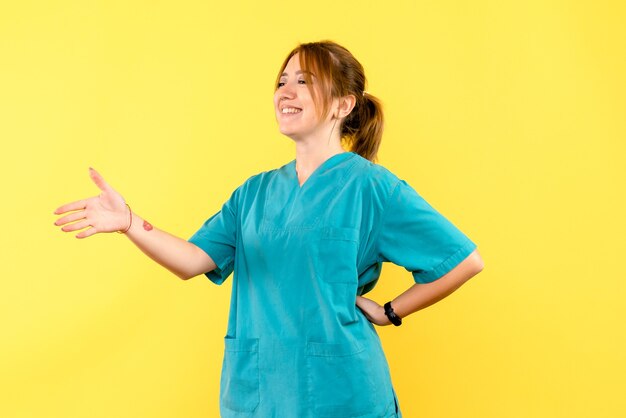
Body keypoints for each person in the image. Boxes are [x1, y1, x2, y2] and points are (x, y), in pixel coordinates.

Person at [54, 40, 484, 418]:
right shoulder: (253, 193)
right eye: (282, 82)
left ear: (343, 104)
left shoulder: (371, 187)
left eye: (304, 80)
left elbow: (463, 260)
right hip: (259, 393)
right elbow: (191, 261)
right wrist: (130, 222)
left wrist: (391, 311)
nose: (286, 91)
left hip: (342, 393)